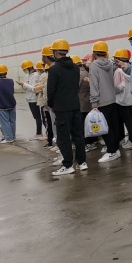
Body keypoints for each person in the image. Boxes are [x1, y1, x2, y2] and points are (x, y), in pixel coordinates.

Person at [46, 40, 86, 175]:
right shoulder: (75, 67)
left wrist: (51, 104)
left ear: (55, 52)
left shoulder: (54, 69)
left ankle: (68, 165)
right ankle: (82, 162)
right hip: (75, 105)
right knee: (78, 135)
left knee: (63, 137)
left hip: (62, 107)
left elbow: (51, 90)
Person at [88, 41, 122, 163]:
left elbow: (94, 85)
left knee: (105, 128)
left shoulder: (94, 66)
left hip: (102, 101)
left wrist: (94, 102)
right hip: (112, 99)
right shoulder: (110, 64)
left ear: (94, 53)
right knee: (113, 126)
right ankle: (116, 150)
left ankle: (111, 152)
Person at [112, 50, 132, 149]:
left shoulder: (118, 71)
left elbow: (118, 87)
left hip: (122, 100)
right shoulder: (131, 68)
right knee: (131, 120)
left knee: (127, 121)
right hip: (131, 98)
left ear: (117, 59)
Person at [17, 60, 44, 140]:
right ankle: (39, 133)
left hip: (34, 98)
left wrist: (24, 84)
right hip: (29, 98)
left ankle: (39, 133)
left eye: (25, 69)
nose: (24, 71)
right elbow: (27, 87)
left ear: (29, 68)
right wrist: (23, 85)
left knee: (37, 116)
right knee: (35, 116)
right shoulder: (28, 75)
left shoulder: (35, 75)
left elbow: (33, 88)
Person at [0, 65, 17, 144]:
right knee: (12, 121)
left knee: (5, 122)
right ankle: (13, 136)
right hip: (12, 103)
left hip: (2, 105)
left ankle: (8, 138)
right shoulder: (11, 81)